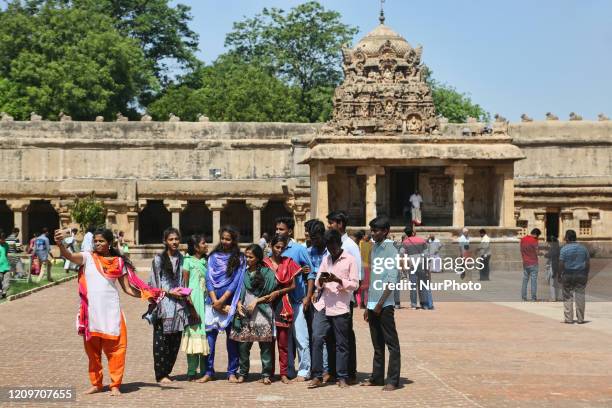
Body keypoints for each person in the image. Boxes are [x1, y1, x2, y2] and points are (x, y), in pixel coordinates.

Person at [54, 227, 162, 396]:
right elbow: (69, 256)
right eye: (96, 241)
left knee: (117, 351)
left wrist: (147, 296)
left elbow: (127, 288)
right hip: (91, 313)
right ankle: (96, 384)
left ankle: (115, 385)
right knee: (92, 352)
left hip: (111, 312)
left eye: (101, 241)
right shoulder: (88, 257)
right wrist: (60, 245)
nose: (97, 243)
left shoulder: (119, 263)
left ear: (109, 243)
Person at [308, 229, 359, 389]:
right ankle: (317, 376)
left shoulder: (349, 260)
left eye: (334, 246)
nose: (331, 250)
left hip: (340, 306)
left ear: (339, 243)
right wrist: (322, 280)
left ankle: (342, 377)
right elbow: (317, 281)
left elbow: (355, 284)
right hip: (323, 305)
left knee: (341, 344)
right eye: (329, 247)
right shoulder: (326, 259)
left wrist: (338, 280)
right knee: (316, 338)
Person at [361, 216, 401, 391]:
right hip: (373, 303)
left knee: (391, 344)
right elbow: (374, 279)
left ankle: (392, 380)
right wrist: (369, 304)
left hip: (385, 305)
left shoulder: (391, 249)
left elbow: (392, 280)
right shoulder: (374, 248)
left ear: (385, 231)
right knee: (377, 344)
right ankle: (377, 377)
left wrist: (379, 304)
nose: (373, 233)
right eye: (372, 230)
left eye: (376, 230)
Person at [203, 226, 246, 383]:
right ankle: (208, 371)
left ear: (234, 240)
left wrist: (222, 301)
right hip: (212, 303)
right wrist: (215, 300)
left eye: (228, 239)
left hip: (230, 304)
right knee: (209, 339)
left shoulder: (240, 258)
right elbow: (208, 278)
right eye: (223, 238)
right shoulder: (213, 257)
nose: (225, 241)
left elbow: (236, 282)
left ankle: (231, 372)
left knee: (232, 339)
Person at [231, 244, 277, 384]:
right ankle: (243, 373)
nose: (247, 259)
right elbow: (237, 292)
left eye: (251, 257)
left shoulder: (267, 273)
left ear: (258, 258)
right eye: (246, 256)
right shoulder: (242, 273)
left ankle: (266, 375)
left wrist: (256, 301)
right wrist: (238, 304)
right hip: (244, 314)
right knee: (243, 346)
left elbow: (271, 293)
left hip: (262, 313)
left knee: (265, 347)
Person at [148, 228, 190, 384]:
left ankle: (168, 370)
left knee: (175, 341)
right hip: (163, 305)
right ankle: (161, 374)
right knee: (161, 342)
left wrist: (184, 292)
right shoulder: (158, 259)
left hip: (179, 306)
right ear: (165, 241)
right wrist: (170, 292)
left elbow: (184, 280)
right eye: (171, 239)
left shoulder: (182, 258)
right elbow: (152, 285)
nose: (174, 242)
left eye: (176, 239)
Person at [275, 216, 314, 381]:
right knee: (285, 339)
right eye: (277, 229)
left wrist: (308, 296)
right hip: (281, 303)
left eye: (281, 229)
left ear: (290, 231)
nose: (278, 232)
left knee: (301, 337)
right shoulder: (275, 249)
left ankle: (304, 370)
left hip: (297, 301)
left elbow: (311, 273)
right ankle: (289, 370)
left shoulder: (298, 249)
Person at [326, 210, 361, 383]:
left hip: (345, 299)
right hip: (329, 300)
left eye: (331, 223)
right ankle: (334, 371)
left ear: (340, 224)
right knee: (331, 337)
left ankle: (349, 372)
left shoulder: (351, 247)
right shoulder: (329, 244)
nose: (329, 226)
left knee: (345, 338)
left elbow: (357, 278)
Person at [264, 234, 301, 384]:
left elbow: (292, 286)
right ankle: (268, 373)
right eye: (277, 247)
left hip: (283, 304)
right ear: (271, 246)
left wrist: (278, 292)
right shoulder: (264, 263)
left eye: (282, 247)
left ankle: (284, 373)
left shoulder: (289, 262)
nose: (279, 250)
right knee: (267, 342)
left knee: (283, 342)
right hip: (266, 304)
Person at [306, 220, 334, 382]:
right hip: (311, 298)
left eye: (316, 238)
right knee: (314, 335)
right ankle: (315, 368)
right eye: (312, 238)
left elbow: (328, 274)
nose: (314, 241)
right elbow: (308, 272)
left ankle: (326, 369)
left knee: (324, 336)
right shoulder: (308, 251)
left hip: (327, 298)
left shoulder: (329, 253)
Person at [180, 234, 209, 381]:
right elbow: (184, 287)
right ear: (196, 247)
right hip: (193, 302)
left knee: (205, 337)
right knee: (193, 334)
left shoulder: (206, 261)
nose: (206, 245)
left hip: (205, 303)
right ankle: (191, 371)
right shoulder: (187, 262)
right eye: (203, 243)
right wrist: (191, 307)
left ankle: (204, 370)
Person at [559, 230, 590, 324]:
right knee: (580, 296)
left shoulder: (564, 249)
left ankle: (568, 319)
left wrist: (559, 275)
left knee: (567, 295)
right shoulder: (583, 248)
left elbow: (561, 263)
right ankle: (580, 319)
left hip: (567, 274)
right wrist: (586, 274)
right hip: (581, 274)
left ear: (567, 238)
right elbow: (588, 263)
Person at [401, 226, 431, 309]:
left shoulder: (405, 242)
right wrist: (427, 266)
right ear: (413, 233)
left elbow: (401, 254)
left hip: (412, 265)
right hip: (421, 264)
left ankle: (413, 304)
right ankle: (424, 304)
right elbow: (426, 254)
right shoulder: (422, 240)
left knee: (413, 286)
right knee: (422, 285)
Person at [520, 228, 541, 301]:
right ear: (536, 235)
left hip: (525, 262)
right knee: (533, 281)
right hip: (533, 263)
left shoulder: (523, 239)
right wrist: (541, 253)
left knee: (525, 280)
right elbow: (537, 252)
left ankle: (523, 297)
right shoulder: (534, 240)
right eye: (538, 236)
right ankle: (533, 297)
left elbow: (521, 250)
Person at [545, 237, 562, 301]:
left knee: (552, 283)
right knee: (556, 283)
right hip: (558, 268)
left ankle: (553, 298)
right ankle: (556, 297)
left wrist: (545, 254)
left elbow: (548, 255)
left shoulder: (553, 249)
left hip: (553, 268)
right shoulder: (558, 249)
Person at [0, 233, 11, 298]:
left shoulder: (6, 245)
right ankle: (1, 292)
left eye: (4, 239)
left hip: (6, 266)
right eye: (2, 239)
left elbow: (6, 254)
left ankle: (4, 292)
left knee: (7, 281)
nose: (3, 240)